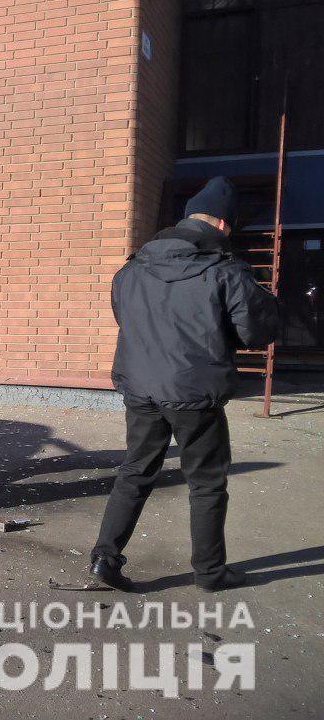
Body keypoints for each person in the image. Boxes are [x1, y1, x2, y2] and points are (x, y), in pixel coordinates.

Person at [90, 176, 279, 593]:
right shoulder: (225, 270)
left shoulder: (132, 269)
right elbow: (256, 331)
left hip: (141, 387)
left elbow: (126, 319)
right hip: (194, 392)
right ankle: (210, 573)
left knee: (136, 471)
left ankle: (105, 556)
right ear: (224, 224)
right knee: (207, 482)